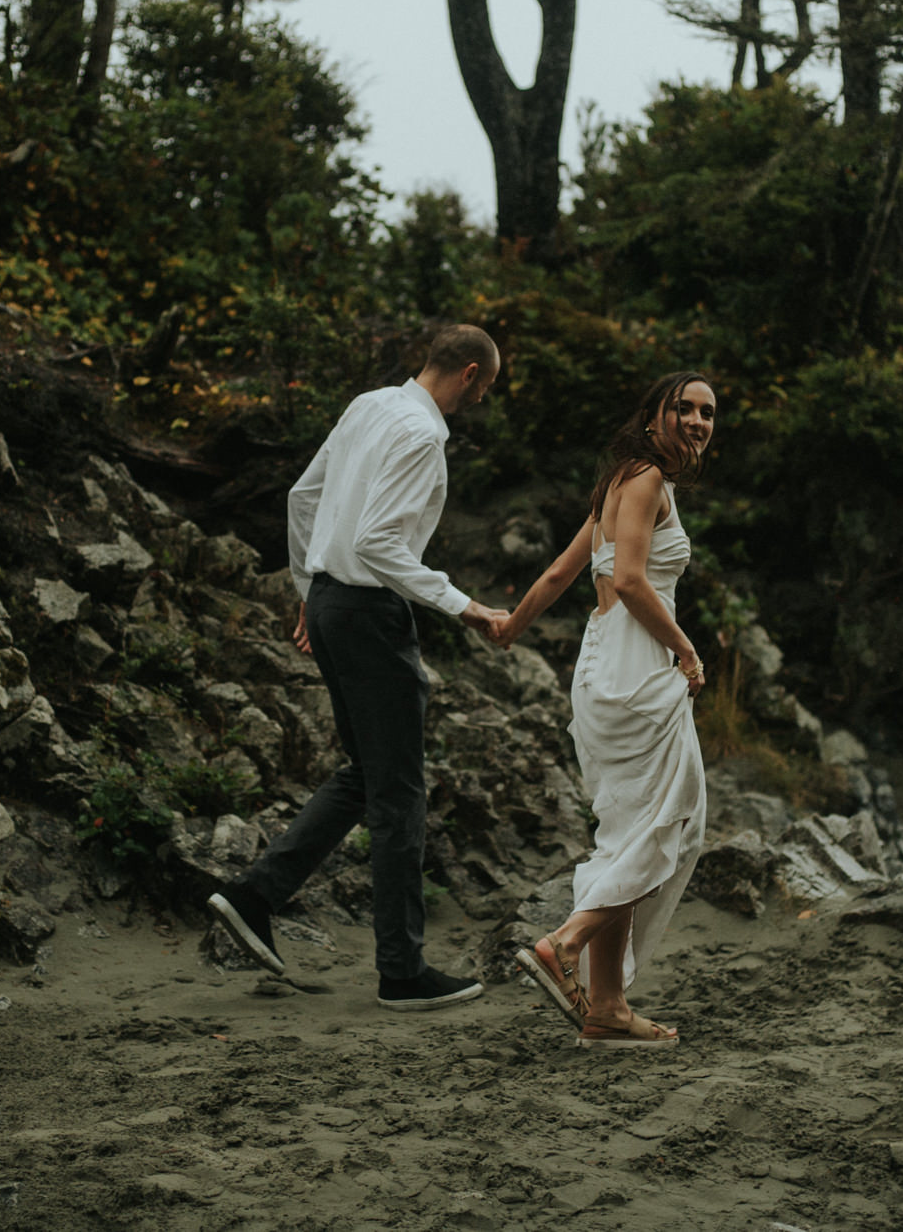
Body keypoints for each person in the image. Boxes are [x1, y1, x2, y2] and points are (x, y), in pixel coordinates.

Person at [208, 325, 510, 1010]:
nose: (478, 400)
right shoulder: (424, 435)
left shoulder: (369, 404)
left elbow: (302, 499)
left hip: (330, 601)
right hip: (370, 613)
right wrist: (466, 607)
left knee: (368, 772)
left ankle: (253, 894)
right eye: (484, 389)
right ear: (467, 373)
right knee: (399, 790)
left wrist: (310, 594)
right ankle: (400, 969)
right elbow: (378, 542)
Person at [493, 372, 716, 1048]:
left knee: (629, 833)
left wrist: (510, 627)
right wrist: (686, 649)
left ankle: (607, 1006)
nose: (698, 420)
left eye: (708, 412)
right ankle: (563, 942)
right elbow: (627, 580)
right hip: (639, 665)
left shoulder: (620, 481)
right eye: (685, 407)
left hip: (598, 670)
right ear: (655, 415)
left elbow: (563, 573)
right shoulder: (646, 478)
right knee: (677, 821)